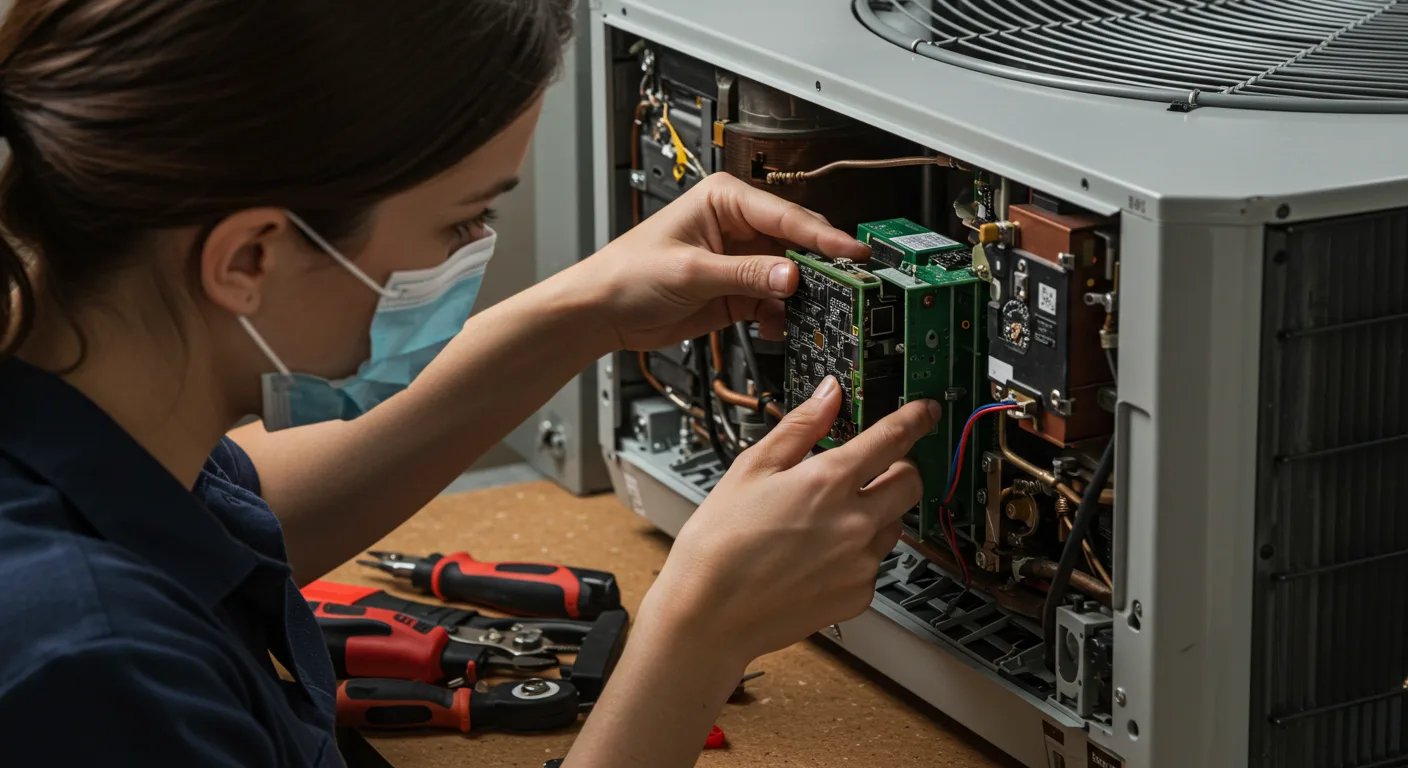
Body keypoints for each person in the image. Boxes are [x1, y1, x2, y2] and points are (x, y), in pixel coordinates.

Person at [0, 1, 937, 765]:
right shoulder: (88, 673)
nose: (472, 256)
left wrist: (593, 310)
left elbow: (237, 523)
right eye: (460, 223)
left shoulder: (80, 402)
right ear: (249, 255)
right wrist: (697, 634)